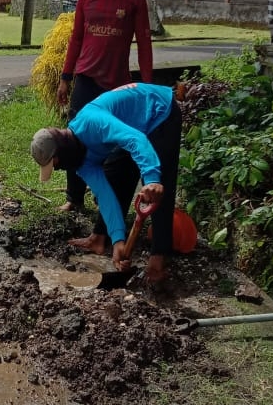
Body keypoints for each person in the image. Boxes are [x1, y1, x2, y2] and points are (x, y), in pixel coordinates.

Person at [30, 83, 182, 284]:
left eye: (56, 164)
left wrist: (153, 178)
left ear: (61, 150)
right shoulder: (80, 162)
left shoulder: (93, 123)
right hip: (131, 125)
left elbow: (136, 139)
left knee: (158, 188)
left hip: (158, 111)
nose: (59, 168)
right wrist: (119, 241)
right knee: (116, 176)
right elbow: (105, 195)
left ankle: (158, 260)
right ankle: (102, 239)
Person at [56, 0, 153, 213]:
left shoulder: (134, 1)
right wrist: (66, 78)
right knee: (76, 138)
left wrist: (146, 85)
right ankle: (74, 197)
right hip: (85, 79)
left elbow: (144, 44)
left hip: (116, 85)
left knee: (113, 144)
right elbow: (76, 40)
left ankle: (104, 198)